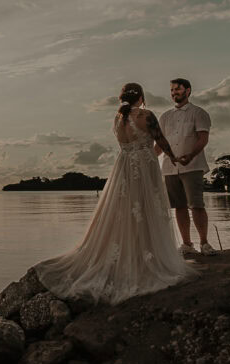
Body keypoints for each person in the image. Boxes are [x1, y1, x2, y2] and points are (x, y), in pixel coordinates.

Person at [34, 83, 197, 305]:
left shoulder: (117, 118)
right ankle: (147, 258)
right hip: (144, 165)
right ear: (141, 97)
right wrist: (175, 157)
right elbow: (160, 141)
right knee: (147, 209)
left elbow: (125, 144)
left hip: (124, 166)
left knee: (125, 211)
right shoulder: (147, 115)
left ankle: (132, 256)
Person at [156, 78, 216, 256]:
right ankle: (187, 244)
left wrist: (190, 156)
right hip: (170, 168)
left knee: (196, 205)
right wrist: (147, 160)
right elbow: (160, 144)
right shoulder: (165, 117)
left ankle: (204, 243)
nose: (174, 92)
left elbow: (203, 139)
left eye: (178, 89)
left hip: (193, 166)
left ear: (188, 91)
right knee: (179, 207)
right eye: (172, 90)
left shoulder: (199, 113)